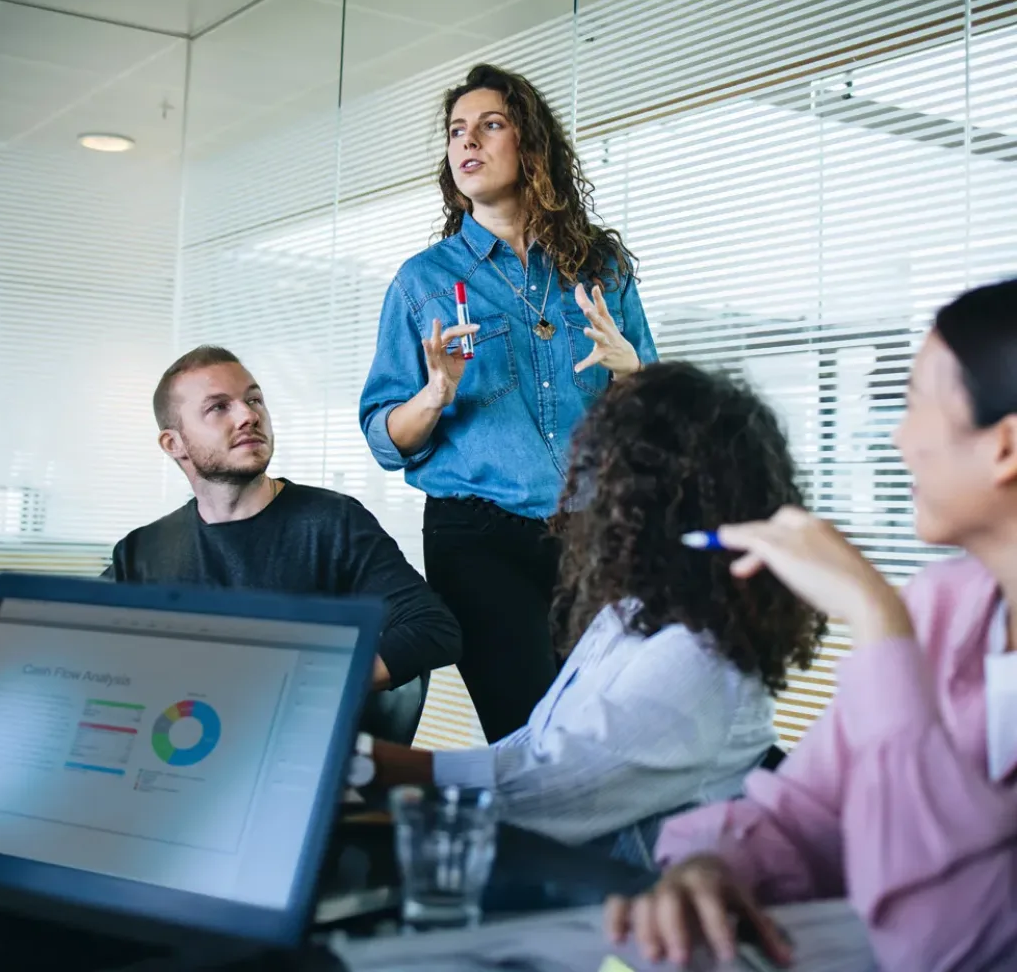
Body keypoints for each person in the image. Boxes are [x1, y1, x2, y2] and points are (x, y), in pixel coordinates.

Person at [605, 278, 1017, 972]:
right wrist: (714, 867)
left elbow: (950, 945)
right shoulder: (942, 607)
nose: (898, 435)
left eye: (915, 403)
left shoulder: (898, 621)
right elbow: (805, 815)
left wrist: (877, 623)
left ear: (1005, 448)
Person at [361, 362, 826, 858]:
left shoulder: (701, 656)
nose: (580, 497)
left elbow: (543, 789)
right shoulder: (629, 614)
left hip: (635, 904)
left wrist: (369, 765)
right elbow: (533, 746)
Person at [359, 63, 659, 743]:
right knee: (531, 735)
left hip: (593, 537)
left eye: (490, 125)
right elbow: (383, 436)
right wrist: (435, 394)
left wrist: (632, 370)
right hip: (478, 538)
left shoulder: (602, 270)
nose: (468, 141)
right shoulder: (424, 282)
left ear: (530, 145)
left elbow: (657, 424)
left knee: (607, 729)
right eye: (457, 131)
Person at [106, 345, 461, 736]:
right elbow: (79, 644)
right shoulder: (142, 551)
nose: (248, 415)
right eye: (218, 407)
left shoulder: (331, 522)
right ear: (174, 444)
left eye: (254, 399)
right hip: (185, 751)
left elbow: (433, 629)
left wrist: (302, 684)